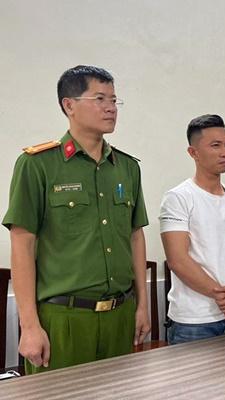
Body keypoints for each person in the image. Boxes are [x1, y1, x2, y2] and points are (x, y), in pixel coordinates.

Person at [2, 65, 150, 374]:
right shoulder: (38, 165)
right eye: (100, 98)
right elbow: (22, 243)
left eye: (114, 100)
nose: (111, 107)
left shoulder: (126, 167)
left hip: (120, 315)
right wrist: (29, 326)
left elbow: (135, 236)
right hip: (64, 318)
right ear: (69, 105)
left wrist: (142, 305)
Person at [159, 114, 225, 344]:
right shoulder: (178, 198)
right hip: (194, 321)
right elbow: (178, 260)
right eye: (216, 145)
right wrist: (223, 296)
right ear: (193, 152)